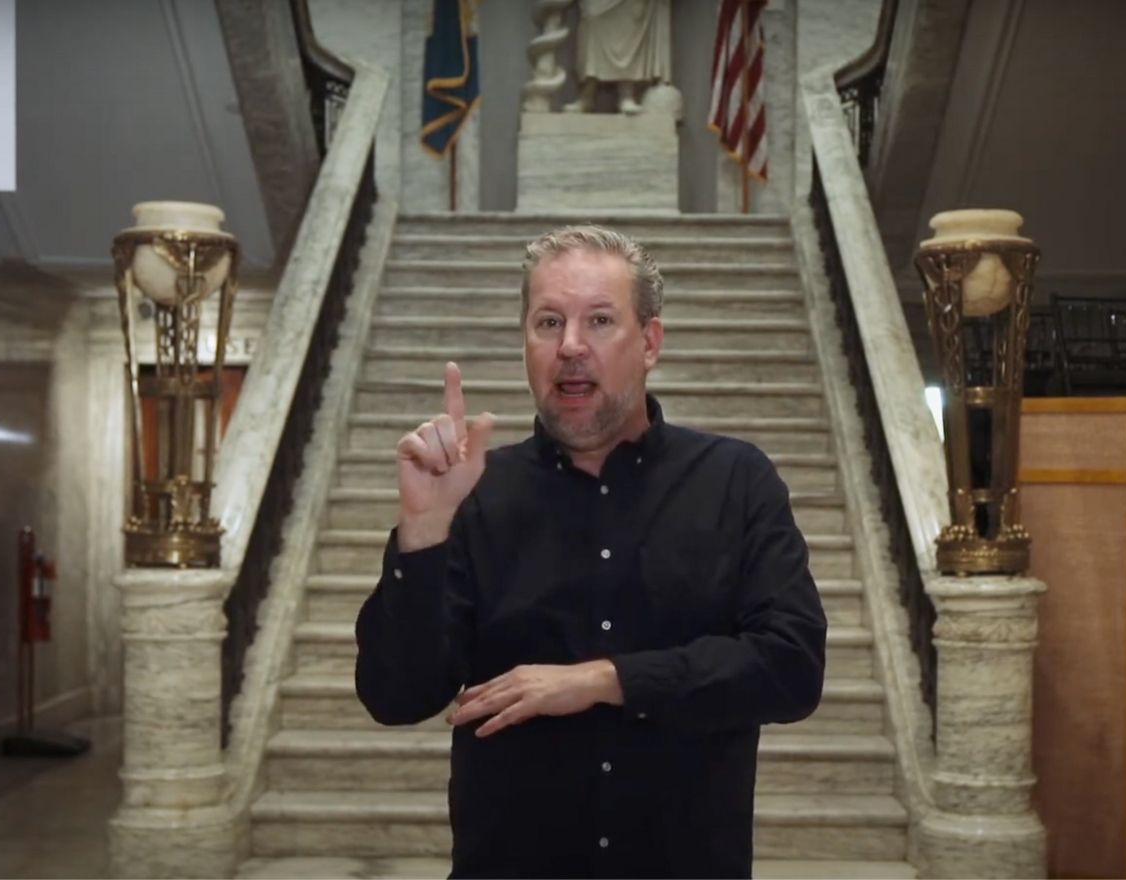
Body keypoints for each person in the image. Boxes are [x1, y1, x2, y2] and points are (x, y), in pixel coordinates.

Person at [354, 225, 827, 878]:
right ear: (526, 341)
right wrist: (422, 533)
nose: (570, 346)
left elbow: (791, 666)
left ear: (650, 342)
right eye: (549, 322)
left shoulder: (735, 481)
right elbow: (396, 696)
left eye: (599, 321)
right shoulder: (474, 494)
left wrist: (604, 681)